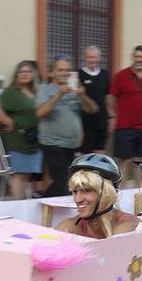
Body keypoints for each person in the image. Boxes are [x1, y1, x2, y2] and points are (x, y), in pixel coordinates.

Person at [35, 56, 98, 198]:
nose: (65, 73)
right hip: (53, 143)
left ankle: (44, 201)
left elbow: (93, 109)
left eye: (67, 70)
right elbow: (40, 113)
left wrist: (83, 96)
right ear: (52, 73)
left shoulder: (73, 90)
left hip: (71, 145)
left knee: (64, 181)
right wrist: (60, 93)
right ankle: (43, 203)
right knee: (64, 182)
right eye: (61, 70)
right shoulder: (45, 90)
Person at [0, 60, 41, 200]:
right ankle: (17, 205)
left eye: (28, 71)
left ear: (33, 74)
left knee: (27, 174)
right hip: (19, 139)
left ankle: (23, 204)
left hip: (34, 139)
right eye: (22, 71)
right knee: (19, 174)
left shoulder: (35, 91)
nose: (25, 74)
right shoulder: (12, 91)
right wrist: (7, 121)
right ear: (16, 74)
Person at [55, 153, 138, 238]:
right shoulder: (71, 224)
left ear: (106, 193)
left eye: (86, 190)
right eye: (75, 191)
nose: (77, 199)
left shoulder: (129, 224)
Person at [109, 45, 142, 188]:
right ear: (132, 57)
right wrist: (114, 115)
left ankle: (139, 194)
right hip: (124, 126)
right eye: (137, 57)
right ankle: (122, 194)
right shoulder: (121, 76)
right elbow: (112, 98)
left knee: (140, 162)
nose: (140, 60)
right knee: (124, 161)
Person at [79, 46, 111, 154]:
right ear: (85, 58)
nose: (92, 60)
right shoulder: (79, 74)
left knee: (99, 154)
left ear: (99, 58)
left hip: (101, 121)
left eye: (94, 57)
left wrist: (111, 117)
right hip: (85, 121)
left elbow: (108, 97)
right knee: (84, 155)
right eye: (89, 57)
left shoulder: (105, 74)